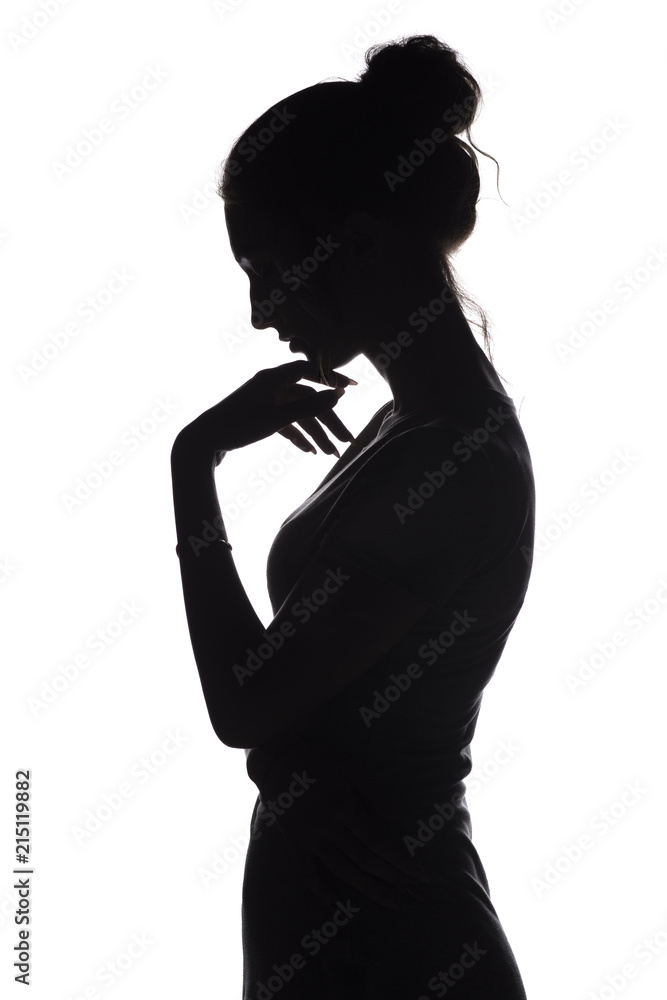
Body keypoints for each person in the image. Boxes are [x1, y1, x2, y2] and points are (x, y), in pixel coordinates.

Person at [171, 34, 535, 999]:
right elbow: (305, 711)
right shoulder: (400, 426)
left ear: (363, 242)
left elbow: (247, 703)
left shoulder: (452, 462)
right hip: (344, 927)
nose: (259, 312)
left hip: (401, 944)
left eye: (268, 265)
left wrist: (192, 466)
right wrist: (286, 776)